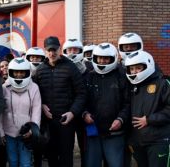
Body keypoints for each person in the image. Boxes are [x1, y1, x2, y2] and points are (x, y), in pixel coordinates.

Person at [33, 36, 86, 167]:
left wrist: (72, 113)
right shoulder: (39, 70)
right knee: (51, 156)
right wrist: (42, 105)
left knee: (66, 157)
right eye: (49, 50)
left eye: (55, 49)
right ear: (45, 51)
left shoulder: (71, 67)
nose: (52, 53)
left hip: (66, 121)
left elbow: (82, 94)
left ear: (60, 49)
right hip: (48, 121)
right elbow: (34, 94)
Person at [84, 43, 130, 167]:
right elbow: (82, 100)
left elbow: (128, 103)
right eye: (99, 58)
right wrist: (85, 114)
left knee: (115, 164)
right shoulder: (89, 77)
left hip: (115, 132)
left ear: (113, 58)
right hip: (93, 131)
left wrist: (120, 120)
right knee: (92, 164)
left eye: (106, 58)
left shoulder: (121, 77)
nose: (102, 61)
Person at [124, 51, 170, 167]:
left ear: (147, 65)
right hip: (137, 141)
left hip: (158, 140)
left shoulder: (163, 83)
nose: (134, 72)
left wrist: (149, 119)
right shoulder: (131, 86)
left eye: (138, 68)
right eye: (132, 69)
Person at [0, 57, 41, 167]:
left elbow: (36, 111)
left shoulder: (34, 88)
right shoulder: (4, 88)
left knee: (26, 163)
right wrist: (1, 132)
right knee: (12, 161)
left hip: (26, 133)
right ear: (10, 72)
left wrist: (33, 130)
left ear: (28, 72)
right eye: (16, 72)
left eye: (22, 72)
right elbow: (0, 112)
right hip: (9, 133)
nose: (18, 75)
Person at [62, 38, 89, 167]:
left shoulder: (88, 67)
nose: (72, 52)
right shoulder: (61, 66)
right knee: (66, 147)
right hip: (67, 112)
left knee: (85, 147)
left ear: (80, 51)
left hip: (83, 113)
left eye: (75, 49)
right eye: (69, 49)